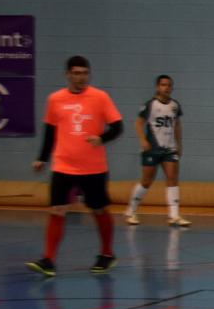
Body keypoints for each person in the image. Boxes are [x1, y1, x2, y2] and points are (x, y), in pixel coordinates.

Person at [26, 56, 124, 277]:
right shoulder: (55, 99)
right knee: (57, 211)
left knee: (98, 209)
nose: (81, 77)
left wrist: (102, 138)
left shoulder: (100, 97)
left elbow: (118, 127)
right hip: (63, 166)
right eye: (77, 73)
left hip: (94, 168)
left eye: (84, 73)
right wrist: (42, 157)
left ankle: (107, 254)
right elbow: (50, 132)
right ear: (68, 75)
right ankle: (48, 260)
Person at [125, 74, 190, 227]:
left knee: (172, 178)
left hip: (169, 149)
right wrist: (142, 140)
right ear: (157, 87)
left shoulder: (175, 105)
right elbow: (138, 124)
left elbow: (177, 125)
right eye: (163, 85)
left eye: (169, 85)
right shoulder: (150, 105)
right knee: (147, 181)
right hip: (152, 148)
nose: (166, 88)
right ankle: (131, 210)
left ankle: (173, 215)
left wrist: (179, 145)